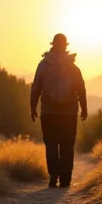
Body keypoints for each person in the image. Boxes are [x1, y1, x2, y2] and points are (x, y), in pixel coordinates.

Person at [31, 34, 88, 188]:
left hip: (48, 113)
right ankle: (65, 180)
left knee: (51, 145)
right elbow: (81, 89)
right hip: (69, 113)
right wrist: (84, 108)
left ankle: (53, 176)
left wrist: (33, 108)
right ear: (65, 46)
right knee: (67, 145)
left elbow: (36, 87)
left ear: (53, 45)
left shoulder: (43, 65)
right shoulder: (72, 66)